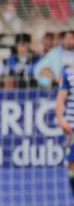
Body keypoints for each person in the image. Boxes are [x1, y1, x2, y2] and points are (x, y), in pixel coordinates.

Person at [55, 65, 74, 197]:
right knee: (72, 164)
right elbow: (60, 99)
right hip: (72, 127)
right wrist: (61, 119)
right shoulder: (69, 73)